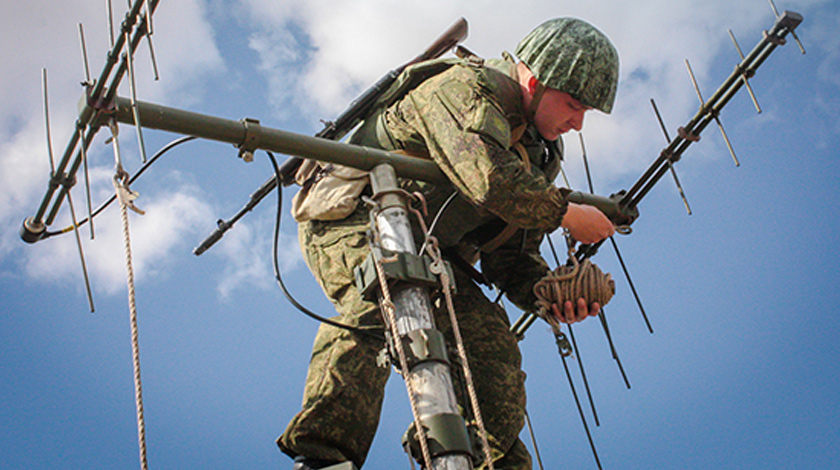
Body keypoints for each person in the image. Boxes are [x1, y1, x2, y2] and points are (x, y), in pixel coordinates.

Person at [279, 17, 620, 470]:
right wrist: (566, 213)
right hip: (354, 220)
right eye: (573, 104)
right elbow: (489, 178)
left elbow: (508, 253)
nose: (577, 123)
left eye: (585, 114)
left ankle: (466, 456)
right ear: (536, 82)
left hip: (434, 251)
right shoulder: (463, 88)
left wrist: (548, 294)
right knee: (379, 297)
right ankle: (325, 455)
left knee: (493, 356)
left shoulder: (537, 152)